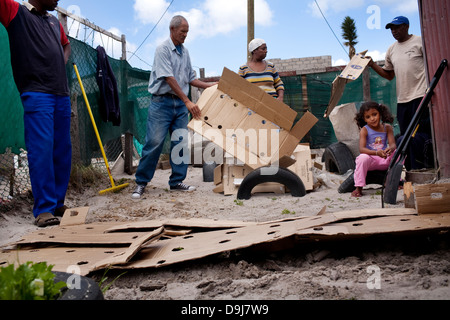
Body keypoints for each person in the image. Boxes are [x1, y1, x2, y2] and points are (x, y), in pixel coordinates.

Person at [1, 0, 72, 227]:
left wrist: (58, 65)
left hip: (61, 92)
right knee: (41, 149)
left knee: (62, 150)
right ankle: (43, 209)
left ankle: (57, 203)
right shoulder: (15, 11)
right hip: (36, 92)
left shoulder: (53, 21)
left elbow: (66, 45)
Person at [132, 15, 216, 200]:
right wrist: (187, 101)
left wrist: (209, 86)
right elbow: (169, 78)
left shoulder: (185, 52)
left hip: (179, 106)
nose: (185, 35)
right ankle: (141, 183)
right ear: (172, 30)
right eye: (182, 31)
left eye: (187, 32)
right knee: (154, 143)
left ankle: (176, 182)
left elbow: (190, 78)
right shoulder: (162, 49)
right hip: (161, 103)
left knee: (180, 143)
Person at [367, 16, 432, 170]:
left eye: (397, 28)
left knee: (421, 134)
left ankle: (428, 165)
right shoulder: (391, 50)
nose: (394, 31)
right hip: (403, 100)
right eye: (391, 29)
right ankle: (410, 169)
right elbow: (389, 75)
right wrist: (372, 64)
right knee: (405, 137)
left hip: (420, 96)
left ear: (406, 26)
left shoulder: (419, 42)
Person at [352, 102, 396, 198]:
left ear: (380, 113)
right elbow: (362, 149)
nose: (372, 118)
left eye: (374, 114)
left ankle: (393, 181)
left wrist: (390, 149)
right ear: (364, 119)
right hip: (371, 161)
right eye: (368, 117)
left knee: (398, 153)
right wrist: (376, 153)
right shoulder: (365, 130)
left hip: (384, 158)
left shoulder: (387, 127)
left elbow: (393, 144)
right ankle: (359, 187)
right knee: (362, 158)